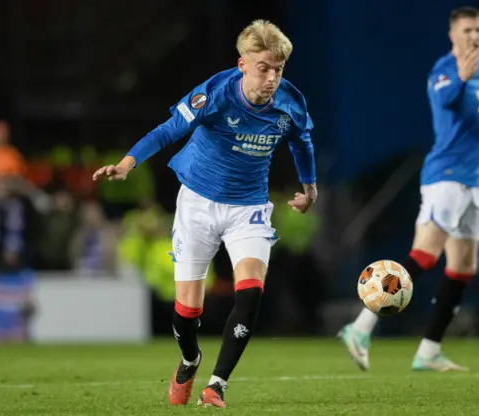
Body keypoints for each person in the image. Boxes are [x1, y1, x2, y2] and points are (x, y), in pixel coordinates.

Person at [93, 20, 317, 407]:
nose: (272, 78)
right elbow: (168, 130)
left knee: (250, 294)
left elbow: (301, 141)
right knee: (186, 312)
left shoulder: (290, 102)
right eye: (263, 68)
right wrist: (129, 162)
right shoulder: (215, 93)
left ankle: (216, 385)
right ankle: (190, 359)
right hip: (198, 203)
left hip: (248, 207)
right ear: (242, 64)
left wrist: (309, 186)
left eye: (278, 69)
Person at [338, 6, 479, 372]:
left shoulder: (478, 72)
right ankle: (359, 328)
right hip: (445, 178)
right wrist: (461, 79)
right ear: (453, 35)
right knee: (424, 255)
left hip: (470, 184)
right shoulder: (445, 70)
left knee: (464, 267)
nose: (475, 36)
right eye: (467, 30)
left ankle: (429, 350)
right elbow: (445, 98)